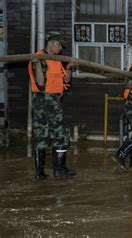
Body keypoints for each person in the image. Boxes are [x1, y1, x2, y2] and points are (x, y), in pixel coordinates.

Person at [28, 31, 78, 179]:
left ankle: (40, 173)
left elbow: (66, 80)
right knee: (61, 136)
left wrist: (69, 67)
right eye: (59, 44)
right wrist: (37, 63)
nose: (61, 47)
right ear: (51, 44)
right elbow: (41, 82)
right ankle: (59, 169)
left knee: (42, 135)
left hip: (51, 100)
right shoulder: (39, 57)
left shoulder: (56, 59)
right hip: (45, 100)